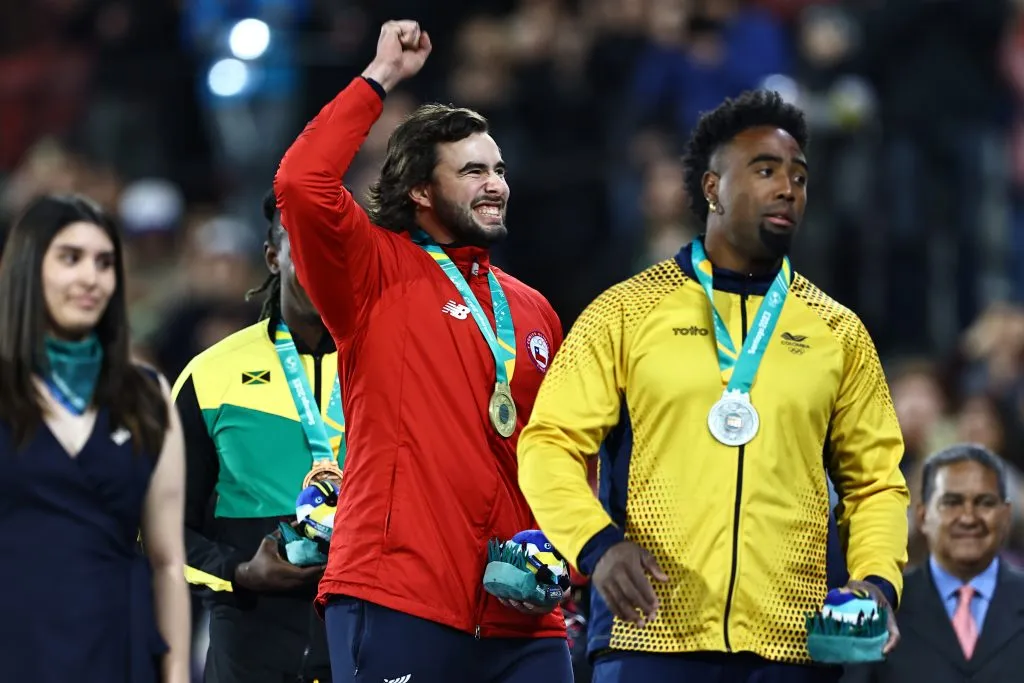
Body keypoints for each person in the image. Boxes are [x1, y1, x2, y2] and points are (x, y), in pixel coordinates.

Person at [517, 90, 911, 682]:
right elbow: (548, 444)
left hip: (791, 644)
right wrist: (596, 547)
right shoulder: (625, 311)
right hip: (648, 633)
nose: (788, 189)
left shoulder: (837, 331)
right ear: (711, 188)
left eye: (799, 178)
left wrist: (877, 581)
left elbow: (877, 482)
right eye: (765, 170)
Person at [274, 19, 570, 683]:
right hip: (399, 596)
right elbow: (300, 183)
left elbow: (558, 453)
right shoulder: (370, 272)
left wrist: (566, 562)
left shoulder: (533, 309)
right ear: (420, 190)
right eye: (472, 171)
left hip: (522, 614)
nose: (496, 183)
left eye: (498, 169)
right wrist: (379, 78)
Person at [0, 194, 190, 683]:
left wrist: (176, 675)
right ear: (27, 267)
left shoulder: (146, 393)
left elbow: (168, 561)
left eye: (105, 263)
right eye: (70, 258)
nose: (91, 278)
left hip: (118, 645)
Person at [172, 189, 336, 683]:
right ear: (273, 256)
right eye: (302, 244)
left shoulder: (395, 369)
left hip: (367, 647)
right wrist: (238, 572)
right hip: (251, 651)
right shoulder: (209, 376)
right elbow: (158, 528)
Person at [840, 444, 1024, 683]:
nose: (968, 517)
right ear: (922, 516)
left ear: (1006, 514)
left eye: (984, 502)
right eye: (952, 502)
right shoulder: (878, 610)